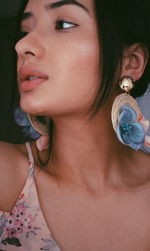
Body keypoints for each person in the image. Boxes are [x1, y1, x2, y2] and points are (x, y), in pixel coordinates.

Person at [0, 0, 150, 250]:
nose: (22, 44)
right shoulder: (6, 177)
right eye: (25, 31)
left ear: (131, 62)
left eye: (63, 24)